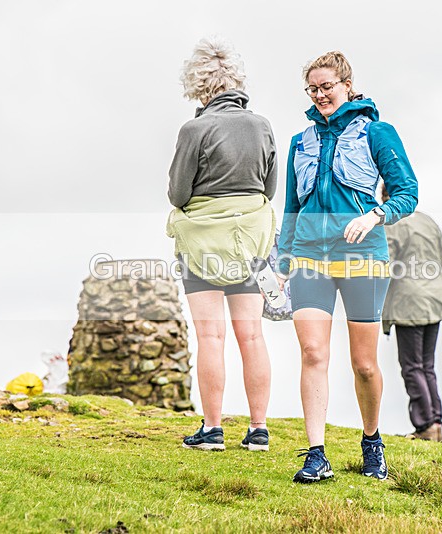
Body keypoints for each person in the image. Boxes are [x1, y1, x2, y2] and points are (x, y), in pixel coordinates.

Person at [277, 51, 418, 482]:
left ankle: (372, 440)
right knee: (313, 352)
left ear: (347, 85)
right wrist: (282, 262)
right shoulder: (301, 142)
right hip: (308, 256)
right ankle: (316, 454)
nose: (319, 95)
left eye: (327, 87)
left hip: (363, 256)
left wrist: (374, 215)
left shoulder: (378, 132)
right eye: (312, 89)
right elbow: (291, 207)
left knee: (364, 364)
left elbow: (407, 192)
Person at [167, 37, 276, 452]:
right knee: (252, 336)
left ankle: (212, 429)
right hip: (250, 241)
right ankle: (258, 429)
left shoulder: (194, 129)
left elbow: (178, 194)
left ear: (198, 83)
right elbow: (268, 187)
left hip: (203, 244)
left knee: (211, 337)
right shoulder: (262, 125)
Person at [380, 184, 442, 442]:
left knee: (412, 366)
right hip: (436, 298)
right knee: (427, 365)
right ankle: (436, 423)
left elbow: (383, 266)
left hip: (409, 302)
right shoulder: (428, 221)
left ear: (384, 196)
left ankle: (425, 426)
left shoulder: (392, 225)